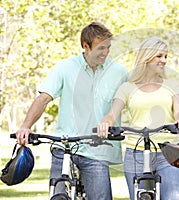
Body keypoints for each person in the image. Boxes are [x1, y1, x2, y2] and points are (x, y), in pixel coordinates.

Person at [16, 22, 128, 200]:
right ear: (86, 46)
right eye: (101, 48)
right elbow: (44, 98)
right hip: (64, 146)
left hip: (97, 150)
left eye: (108, 47)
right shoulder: (64, 68)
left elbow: (133, 101)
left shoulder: (119, 73)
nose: (106, 52)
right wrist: (25, 126)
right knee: (58, 196)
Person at [97, 36, 179, 200]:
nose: (164, 60)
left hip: (168, 152)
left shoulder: (172, 84)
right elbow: (112, 114)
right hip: (136, 152)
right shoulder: (127, 88)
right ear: (146, 57)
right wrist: (105, 122)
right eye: (159, 56)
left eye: (165, 56)